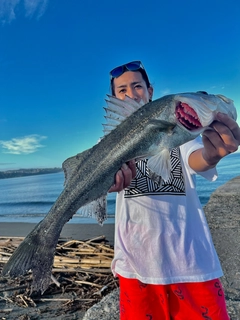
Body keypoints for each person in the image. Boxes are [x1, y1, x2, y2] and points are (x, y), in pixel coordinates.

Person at [108, 60, 240, 320]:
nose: (131, 93)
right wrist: (109, 182)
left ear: (150, 91)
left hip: (191, 262)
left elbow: (197, 158)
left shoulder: (179, 132)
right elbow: (107, 180)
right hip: (136, 263)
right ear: (113, 100)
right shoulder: (108, 143)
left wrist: (213, 155)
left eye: (137, 86)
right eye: (121, 90)